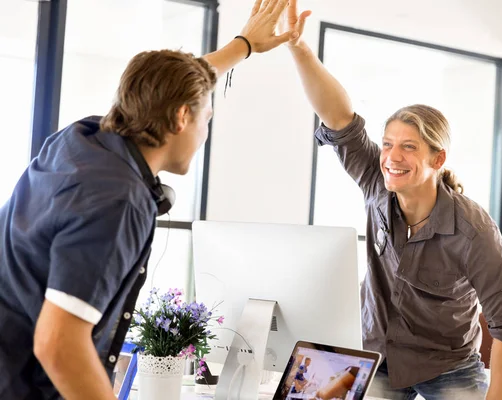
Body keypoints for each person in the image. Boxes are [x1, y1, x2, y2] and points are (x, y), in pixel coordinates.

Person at [0, 1, 299, 398]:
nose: (205, 133)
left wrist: (242, 46)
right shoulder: (121, 200)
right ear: (180, 118)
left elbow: (164, 85)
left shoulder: (80, 139)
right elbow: (58, 343)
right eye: (206, 119)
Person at [282, 1, 502, 399]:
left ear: (438, 159)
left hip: (448, 367)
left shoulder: (472, 231)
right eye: (387, 145)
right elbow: (340, 118)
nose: (392, 157)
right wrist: (299, 48)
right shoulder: (377, 183)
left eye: (409, 148)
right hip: (378, 357)